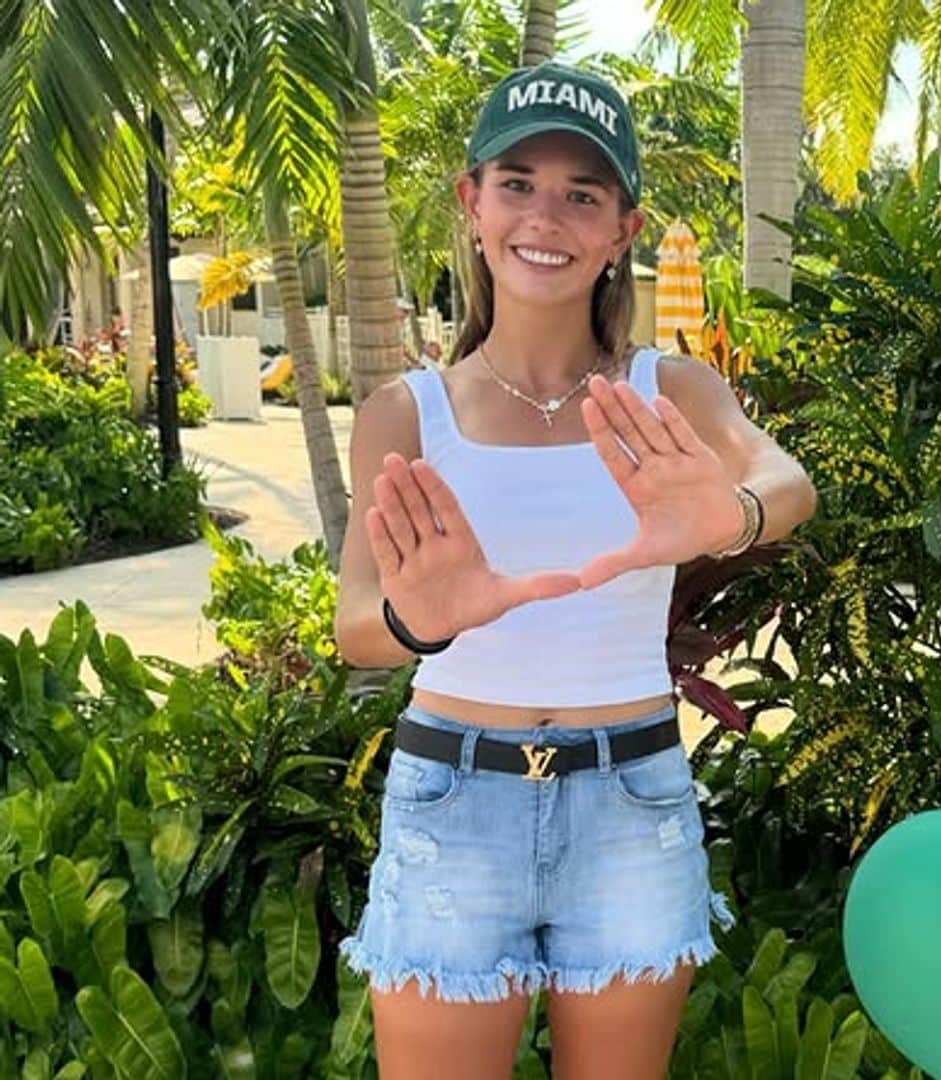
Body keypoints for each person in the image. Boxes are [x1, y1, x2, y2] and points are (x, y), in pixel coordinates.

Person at [335, 60, 817, 1080]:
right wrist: (428, 619)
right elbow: (357, 630)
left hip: (630, 800)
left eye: (582, 194)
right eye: (517, 182)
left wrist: (727, 516)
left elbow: (787, 483)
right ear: (472, 202)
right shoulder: (405, 412)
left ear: (622, 231)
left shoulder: (667, 390)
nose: (544, 216)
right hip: (452, 802)